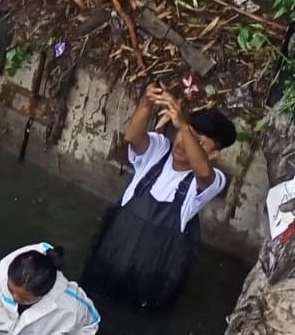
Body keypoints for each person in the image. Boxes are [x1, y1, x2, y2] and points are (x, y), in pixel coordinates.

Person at [82, 84, 238, 310]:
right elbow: (132, 136)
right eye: (185, 134)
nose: (183, 143)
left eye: (198, 141)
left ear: (212, 154)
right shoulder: (158, 148)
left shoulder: (210, 182)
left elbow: (203, 172)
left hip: (148, 280)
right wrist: (146, 103)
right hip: (109, 258)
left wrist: (184, 125)